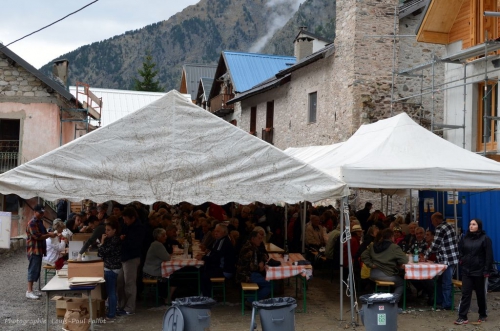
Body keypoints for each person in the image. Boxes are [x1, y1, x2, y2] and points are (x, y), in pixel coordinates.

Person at [454, 219, 493, 325]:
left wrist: (486, 270)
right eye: (470, 224)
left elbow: (489, 256)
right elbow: (460, 250)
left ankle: (482, 314)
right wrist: (462, 260)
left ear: (479, 226)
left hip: (479, 271)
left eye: (474, 224)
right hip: (467, 270)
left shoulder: (485, 239)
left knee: (480, 294)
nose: (471, 226)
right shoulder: (465, 238)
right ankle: (462, 316)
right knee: (465, 293)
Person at [424, 212, 459, 310]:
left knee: (445, 282)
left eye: (432, 220)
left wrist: (426, 256)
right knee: (440, 281)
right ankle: (439, 300)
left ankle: (447, 304)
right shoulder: (449, 226)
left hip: (446, 259)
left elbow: (435, 245)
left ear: (436, 220)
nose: (432, 222)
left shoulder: (440, 228)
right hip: (452, 258)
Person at [361, 228, 408, 298]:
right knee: (402, 283)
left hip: (373, 274)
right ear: (391, 237)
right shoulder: (394, 247)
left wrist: (370, 264)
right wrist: (397, 262)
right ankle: (393, 301)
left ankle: (385, 299)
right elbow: (404, 260)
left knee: (394, 280)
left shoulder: (373, 245)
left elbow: (363, 255)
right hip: (387, 274)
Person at [117, 206, 145, 315]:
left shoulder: (139, 228)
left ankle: (129, 307)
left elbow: (134, 244)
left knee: (130, 283)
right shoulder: (126, 225)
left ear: (132, 218)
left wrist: (123, 240)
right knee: (119, 282)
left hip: (132, 258)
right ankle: (121, 305)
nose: (124, 221)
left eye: (126, 219)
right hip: (124, 257)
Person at [26, 204, 57, 299]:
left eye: (42, 213)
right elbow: (37, 236)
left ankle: (32, 289)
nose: (41, 214)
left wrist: (50, 233)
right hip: (34, 249)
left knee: (36, 270)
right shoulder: (32, 223)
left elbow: (44, 233)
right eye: (40, 213)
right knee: (32, 269)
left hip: (39, 249)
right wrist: (50, 235)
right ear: (35, 212)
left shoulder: (40, 222)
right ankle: (29, 291)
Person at [198, 224, 235, 297]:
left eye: (218, 231)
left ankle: (206, 297)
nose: (215, 233)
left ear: (224, 232)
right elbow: (212, 253)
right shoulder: (218, 240)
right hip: (220, 267)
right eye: (215, 231)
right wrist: (204, 256)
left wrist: (203, 258)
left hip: (225, 270)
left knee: (204, 275)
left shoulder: (223, 241)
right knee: (201, 269)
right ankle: (204, 293)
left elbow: (216, 257)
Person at [236, 230, 271, 304]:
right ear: (253, 238)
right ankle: (250, 300)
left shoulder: (253, 246)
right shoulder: (249, 249)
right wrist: (259, 267)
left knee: (267, 281)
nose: (261, 240)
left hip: (250, 273)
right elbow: (251, 267)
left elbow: (261, 255)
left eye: (261, 238)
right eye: (259, 238)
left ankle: (254, 299)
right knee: (270, 285)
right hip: (246, 274)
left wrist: (262, 259)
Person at [143, 228, 176, 304]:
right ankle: (167, 297)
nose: (166, 237)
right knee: (174, 277)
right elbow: (167, 257)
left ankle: (164, 295)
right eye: (163, 236)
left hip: (150, 271)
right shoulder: (157, 245)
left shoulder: (156, 244)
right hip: (152, 273)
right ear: (158, 237)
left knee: (172, 275)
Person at [97, 217, 122, 320]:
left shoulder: (114, 240)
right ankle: (113, 310)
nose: (106, 232)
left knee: (111, 291)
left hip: (111, 268)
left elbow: (101, 253)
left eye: (108, 230)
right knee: (112, 291)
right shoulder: (114, 239)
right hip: (113, 267)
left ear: (114, 230)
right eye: (105, 230)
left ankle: (111, 313)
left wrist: (102, 242)